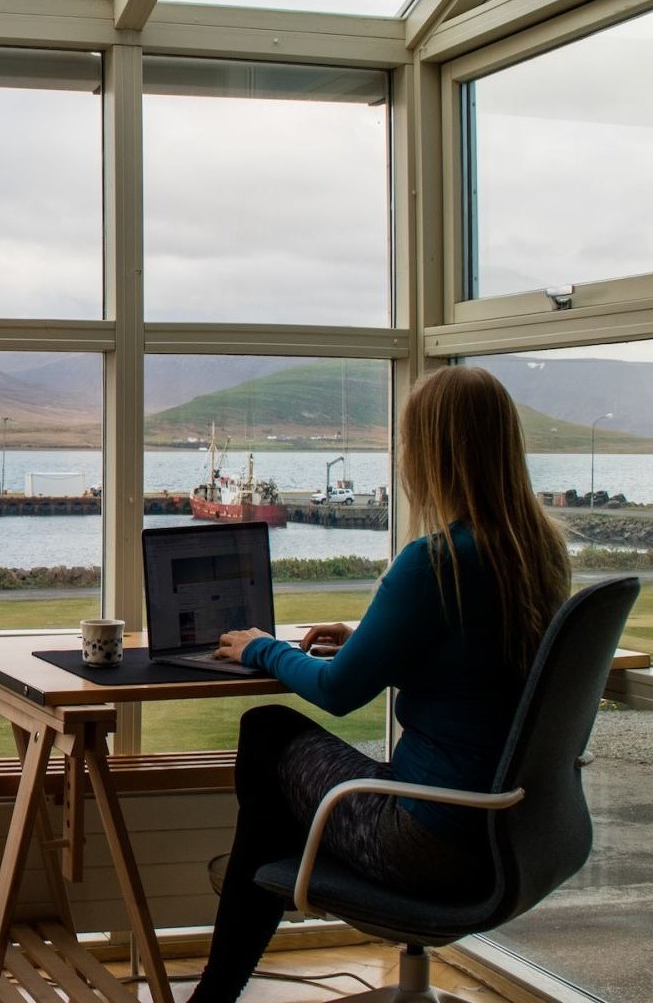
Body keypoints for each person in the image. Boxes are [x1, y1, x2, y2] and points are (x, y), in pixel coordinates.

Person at [189, 366, 571, 1003]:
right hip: (517, 834)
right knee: (275, 801)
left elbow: (338, 692)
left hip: (426, 844)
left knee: (267, 731)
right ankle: (261, 886)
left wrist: (264, 649)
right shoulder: (540, 554)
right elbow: (474, 661)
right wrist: (373, 639)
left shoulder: (435, 562)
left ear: (430, 455)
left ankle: (233, 953)